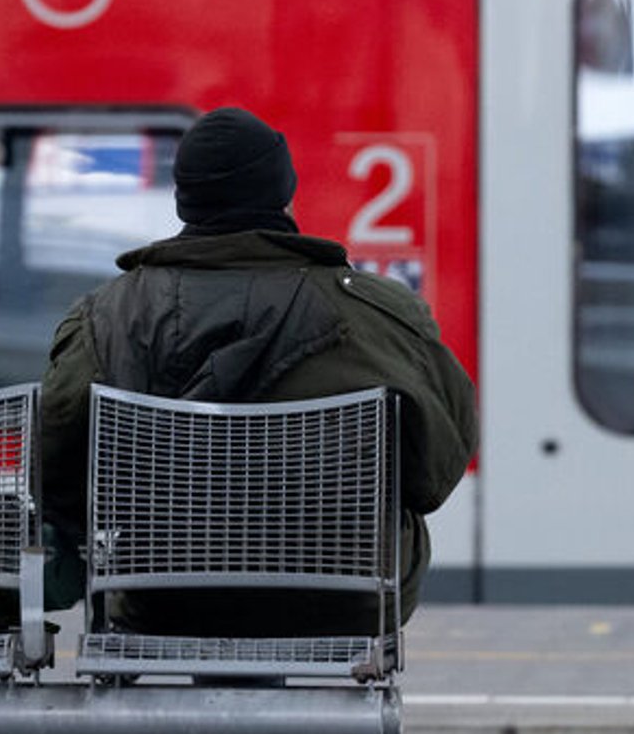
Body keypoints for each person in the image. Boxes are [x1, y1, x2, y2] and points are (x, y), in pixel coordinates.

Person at [40, 107, 478, 637]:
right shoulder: (379, 314)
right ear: (284, 193)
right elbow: (437, 470)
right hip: (348, 601)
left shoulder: (105, 318)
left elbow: (57, 478)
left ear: (185, 199)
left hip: (162, 601)